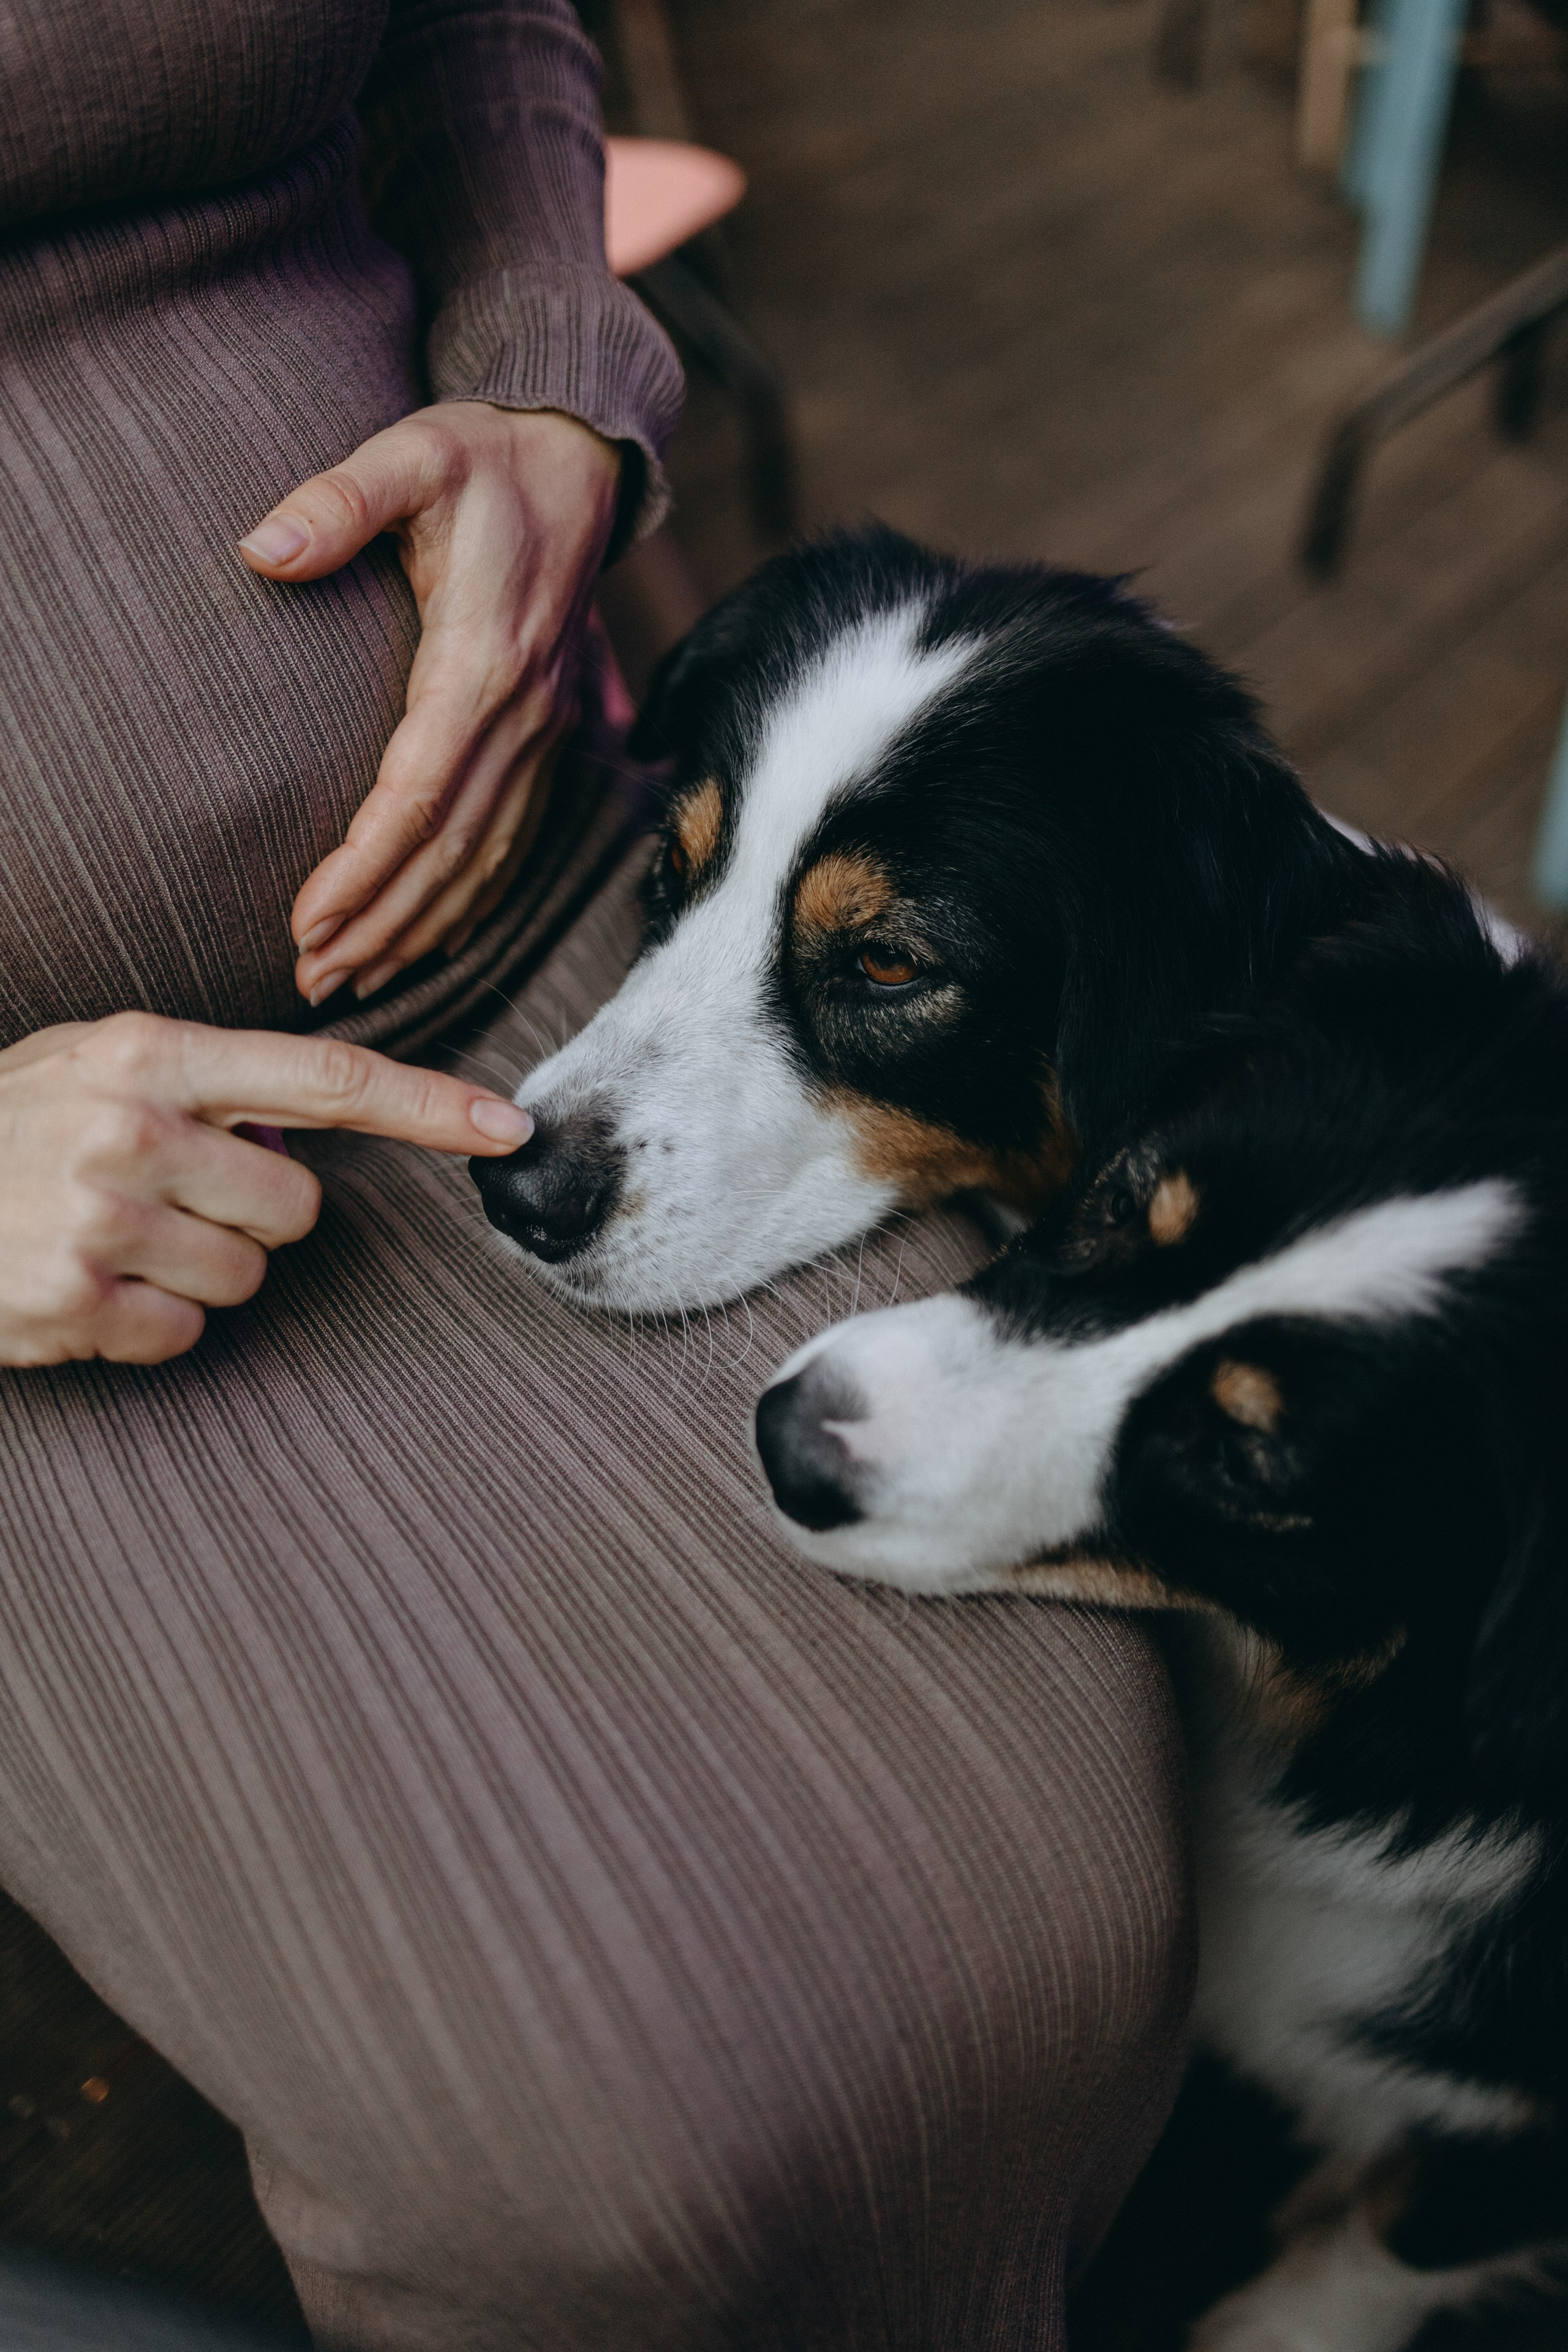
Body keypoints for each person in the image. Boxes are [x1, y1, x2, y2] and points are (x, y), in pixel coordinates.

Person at [0, 3, 1192, 2343]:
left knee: (1063, 1905)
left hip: (570, 912)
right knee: (611, 2176)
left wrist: (552, 379)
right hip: (57, 1252)